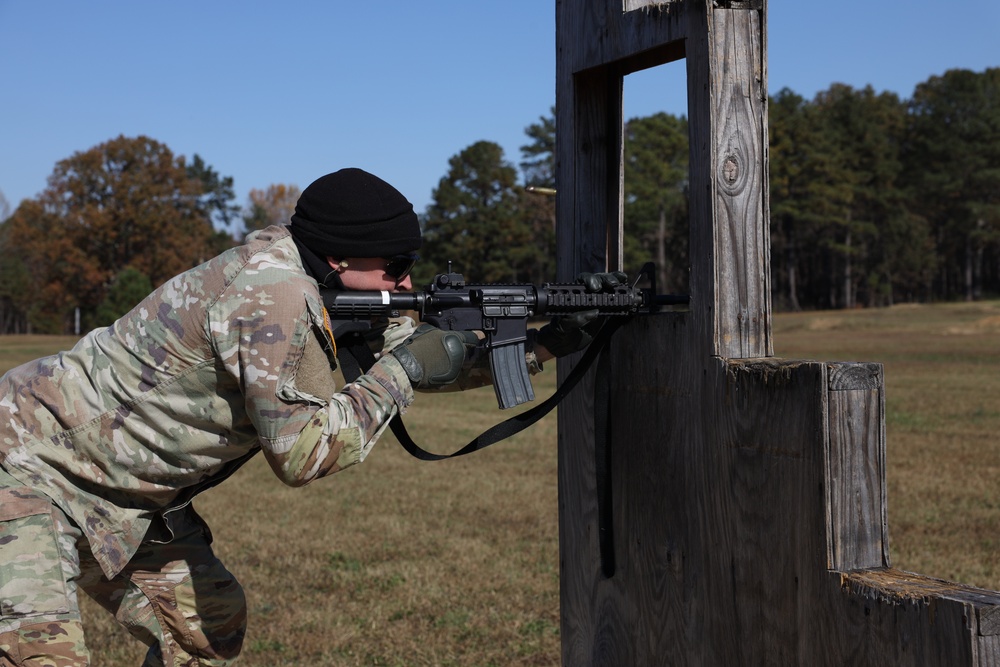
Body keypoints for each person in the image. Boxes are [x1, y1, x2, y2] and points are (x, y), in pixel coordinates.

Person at [0, 167, 623, 666]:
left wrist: (547, 342)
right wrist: (400, 372)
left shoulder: (322, 281)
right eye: (395, 267)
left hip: (120, 491)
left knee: (208, 625)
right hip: (27, 467)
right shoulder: (272, 294)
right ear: (343, 259)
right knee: (43, 655)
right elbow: (302, 455)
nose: (405, 283)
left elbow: (429, 358)